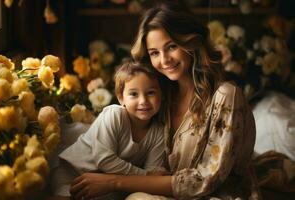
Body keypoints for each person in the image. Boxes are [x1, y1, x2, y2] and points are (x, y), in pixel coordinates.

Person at [69, 2, 256, 200]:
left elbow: (204, 181)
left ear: (191, 42)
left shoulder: (226, 95)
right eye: (154, 53)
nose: (164, 59)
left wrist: (113, 181)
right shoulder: (159, 98)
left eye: (172, 46)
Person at [49, 60, 167, 200]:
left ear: (162, 95)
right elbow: (105, 160)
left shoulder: (159, 132)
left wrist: (154, 175)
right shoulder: (114, 115)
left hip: (105, 185)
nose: (143, 101)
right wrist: (145, 175)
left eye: (151, 93)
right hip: (73, 173)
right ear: (121, 98)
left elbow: (154, 173)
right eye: (134, 94)